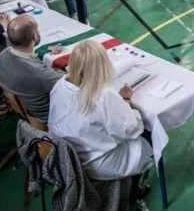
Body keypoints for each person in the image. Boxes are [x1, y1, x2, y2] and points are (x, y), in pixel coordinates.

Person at [48, 40, 153, 196]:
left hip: (69, 158)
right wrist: (125, 100)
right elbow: (132, 129)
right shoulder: (103, 95)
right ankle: (133, 189)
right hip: (98, 164)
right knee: (150, 134)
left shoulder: (59, 86)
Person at [0, 15, 62, 122]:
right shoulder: (40, 74)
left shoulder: (3, 55)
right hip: (50, 118)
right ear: (35, 36)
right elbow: (71, 81)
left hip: (25, 111)